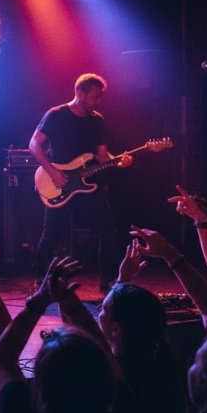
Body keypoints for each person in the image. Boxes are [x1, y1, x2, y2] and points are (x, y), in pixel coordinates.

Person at [29, 73, 132, 292]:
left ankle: (108, 282)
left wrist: (119, 161)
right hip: (59, 182)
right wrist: (53, 173)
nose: (98, 102)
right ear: (80, 93)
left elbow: (102, 157)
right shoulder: (56, 115)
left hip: (88, 185)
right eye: (95, 97)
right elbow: (34, 145)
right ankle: (40, 279)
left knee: (107, 230)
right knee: (51, 233)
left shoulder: (97, 120)